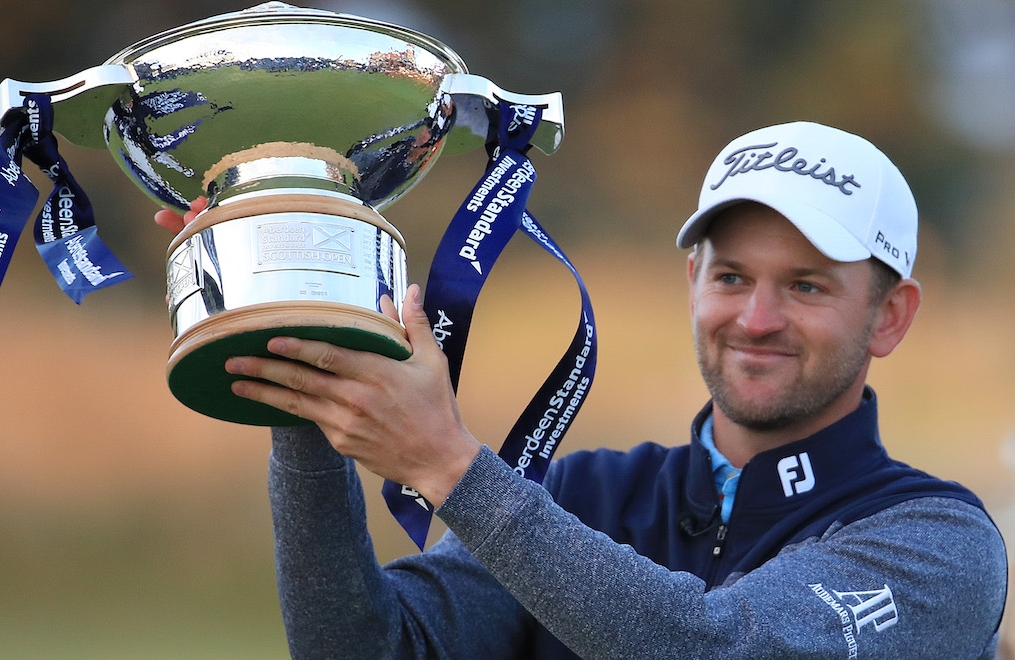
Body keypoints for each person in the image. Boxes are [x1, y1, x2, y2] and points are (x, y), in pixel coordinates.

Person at [157, 121, 1008, 658]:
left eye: (807, 286)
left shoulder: (937, 543)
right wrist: (307, 366)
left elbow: (717, 649)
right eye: (732, 276)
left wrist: (451, 465)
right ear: (692, 282)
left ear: (890, 317)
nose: (754, 318)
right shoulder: (581, 493)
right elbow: (371, 647)